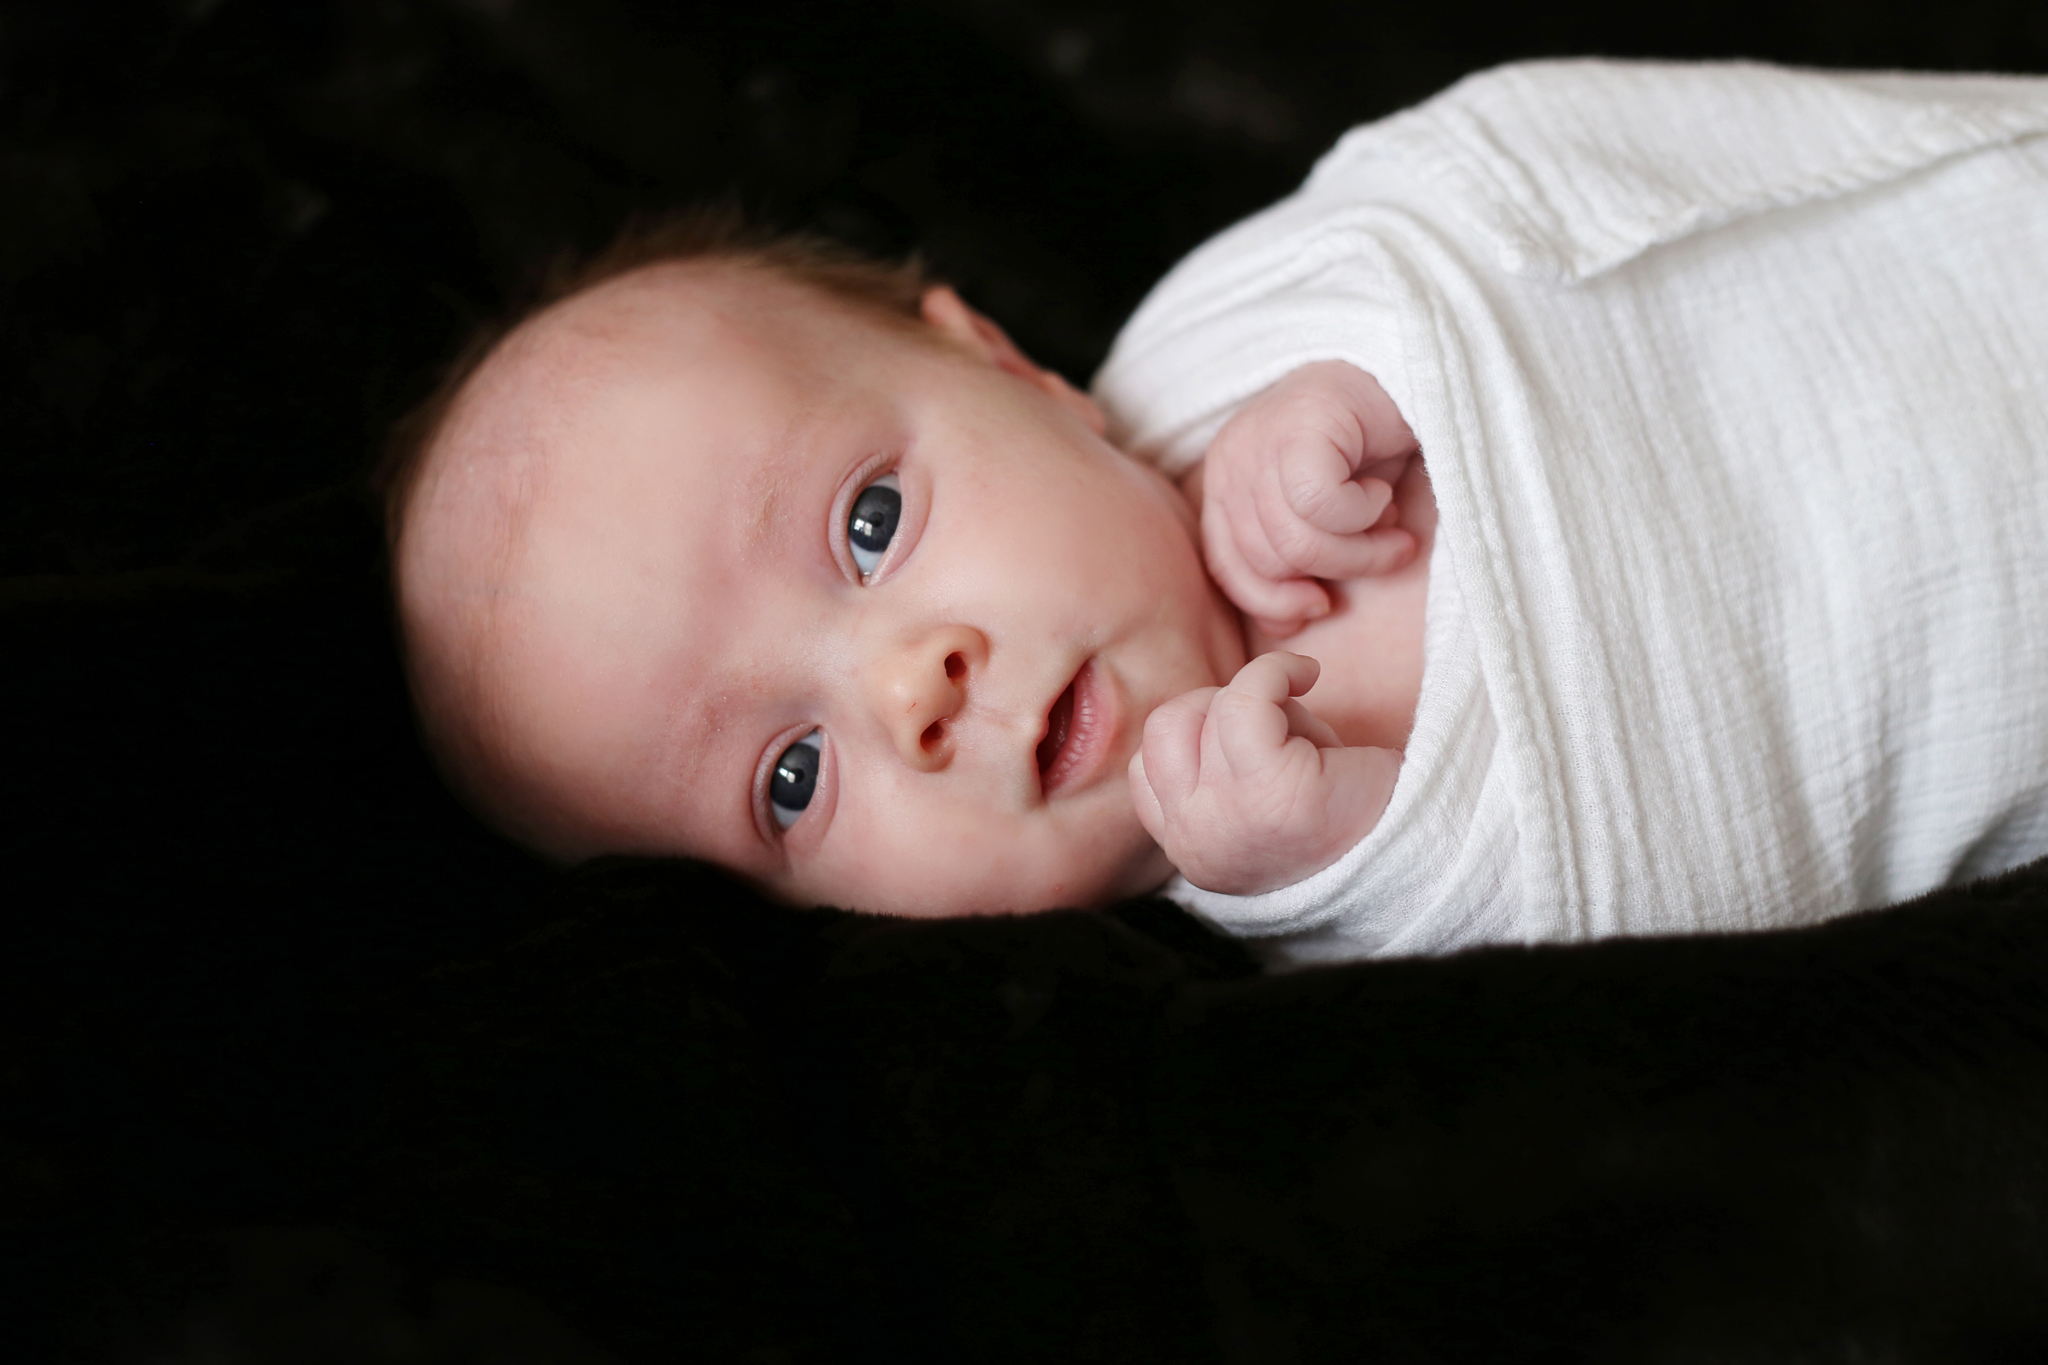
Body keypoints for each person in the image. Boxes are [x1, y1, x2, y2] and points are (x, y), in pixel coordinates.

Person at [382, 59, 2048, 965]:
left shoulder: (1231, 330)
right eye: (791, 777)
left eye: (872, 524)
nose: (909, 688)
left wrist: (1386, 379)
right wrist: (1346, 851)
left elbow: (1476, 200)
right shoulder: (1275, 918)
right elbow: (1642, 934)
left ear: (1014, 370)